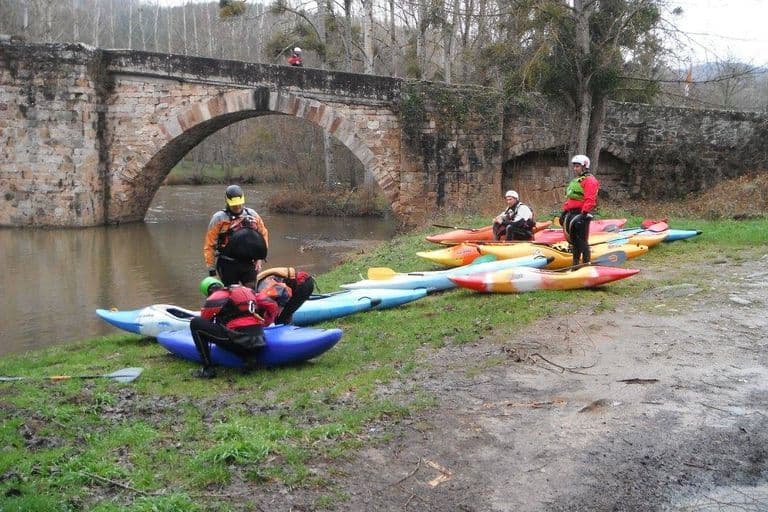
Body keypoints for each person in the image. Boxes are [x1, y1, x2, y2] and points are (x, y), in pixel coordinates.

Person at [190, 276, 285, 379]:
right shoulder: (250, 292)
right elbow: (272, 305)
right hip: (259, 341)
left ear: (207, 292)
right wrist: (265, 323)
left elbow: (205, 320)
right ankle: (249, 357)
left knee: (196, 323)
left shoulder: (216, 297)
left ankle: (207, 370)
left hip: (238, 342)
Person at [203, 185, 269, 289]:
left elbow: (263, 235)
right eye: (234, 205)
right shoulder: (219, 218)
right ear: (227, 202)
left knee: (251, 291)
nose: (237, 207)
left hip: (247, 262)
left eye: (239, 204)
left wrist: (260, 258)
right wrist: (211, 269)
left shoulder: (252, 215)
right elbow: (210, 244)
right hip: (227, 263)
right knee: (233, 294)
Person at [559, 154, 600, 266]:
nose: (575, 168)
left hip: (582, 214)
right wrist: (564, 212)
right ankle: (575, 264)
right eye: (574, 166)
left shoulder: (590, 180)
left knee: (582, 242)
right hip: (572, 214)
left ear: (584, 166)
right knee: (574, 242)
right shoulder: (577, 180)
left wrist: (584, 213)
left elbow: (590, 199)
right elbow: (571, 199)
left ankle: (587, 263)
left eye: (577, 166)